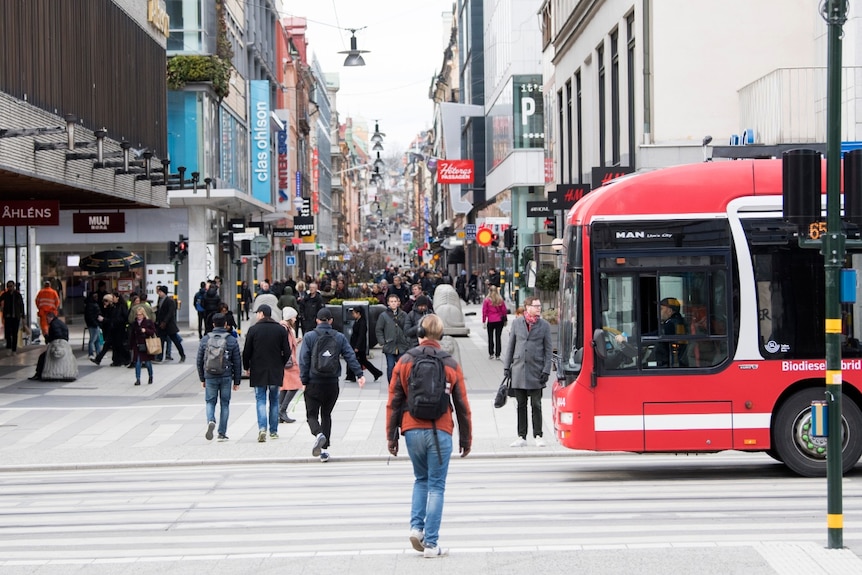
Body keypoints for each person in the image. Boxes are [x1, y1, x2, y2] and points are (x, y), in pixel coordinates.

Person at [385, 314, 472, 558]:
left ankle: (416, 528)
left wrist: (392, 437)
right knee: (437, 486)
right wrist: (466, 440)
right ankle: (431, 544)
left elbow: (394, 401)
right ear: (441, 336)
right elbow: (462, 405)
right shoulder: (450, 363)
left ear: (420, 334)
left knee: (420, 479)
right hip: (440, 431)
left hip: (411, 430)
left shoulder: (405, 361)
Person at [300, 307, 366, 462]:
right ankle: (324, 450)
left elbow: (304, 360)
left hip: (313, 382)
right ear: (331, 321)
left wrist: (304, 380)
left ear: (317, 320)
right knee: (326, 414)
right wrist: (359, 374)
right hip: (331, 383)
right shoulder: (339, 337)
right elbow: (350, 355)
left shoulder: (309, 337)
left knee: (311, 415)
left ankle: (318, 434)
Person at [502, 296, 553, 447]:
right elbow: (510, 346)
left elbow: (549, 350)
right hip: (518, 369)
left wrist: (546, 370)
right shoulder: (517, 323)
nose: (539, 308)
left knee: (536, 404)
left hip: (536, 370)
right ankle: (521, 436)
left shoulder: (544, 325)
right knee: (520, 404)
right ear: (527, 307)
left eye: (539, 306)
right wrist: (506, 367)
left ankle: (538, 435)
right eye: (536, 306)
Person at [242, 304, 290, 443]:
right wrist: (281, 363)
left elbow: (247, 351)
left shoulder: (253, 330)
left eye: (258, 313)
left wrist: (247, 366)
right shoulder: (280, 330)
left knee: (260, 400)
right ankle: (273, 431)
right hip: (275, 369)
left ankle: (262, 428)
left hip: (258, 370)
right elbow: (287, 351)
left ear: (262, 314)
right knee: (274, 400)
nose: (257, 315)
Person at [198, 313, 242, 441]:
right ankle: (222, 433)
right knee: (225, 404)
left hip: (210, 375)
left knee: (210, 402)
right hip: (226, 375)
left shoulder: (205, 339)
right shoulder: (231, 340)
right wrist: (237, 380)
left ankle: (211, 420)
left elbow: (199, 360)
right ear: (226, 324)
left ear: (213, 324)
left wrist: (202, 378)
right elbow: (237, 361)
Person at [375, 293, 411, 383]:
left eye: (395, 301)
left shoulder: (404, 315)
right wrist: (382, 342)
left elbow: (408, 329)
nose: (394, 303)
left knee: (402, 367)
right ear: (388, 303)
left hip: (402, 346)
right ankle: (391, 384)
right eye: (391, 301)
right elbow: (379, 329)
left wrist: (407, 341)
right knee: (390, 367)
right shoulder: (383, 316)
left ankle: (402, 384)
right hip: (389, 345)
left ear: (398, 302)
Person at [278, 307, 303, 423]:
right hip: (289, 362)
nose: (295, 319)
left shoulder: (283, 327)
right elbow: (286, 346)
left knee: (284, 387)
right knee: (295, 385)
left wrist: (295, 341)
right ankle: (282, 410)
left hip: (284, 362)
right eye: (294, 317)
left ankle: (279, 412)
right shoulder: (286, 329)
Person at [346, 306, 384, 382]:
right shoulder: (358, 321)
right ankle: (376, 373)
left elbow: (361, 336)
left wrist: (357, 347)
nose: (353, 315)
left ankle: (351, 376)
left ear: (358, 313)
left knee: (352, 360)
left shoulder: (362, 323)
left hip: (359, 346)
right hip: (356, 345)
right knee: (363, 361)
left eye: (354, 313)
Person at [30, 311, 70, 381]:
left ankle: (38, 374)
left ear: (51, 317)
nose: (47, 321)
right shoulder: (60, 322)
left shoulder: (53, 324)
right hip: (64, 345)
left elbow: (56, 336)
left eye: (47, 319)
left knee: (42, 357)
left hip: (58, 345)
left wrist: (47, 337)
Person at [91, 294, 127, 366]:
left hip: (118, 329)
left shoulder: (121, 307)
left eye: (113, 297)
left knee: (118, 345)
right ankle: (101, 359)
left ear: (117, 298)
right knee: (110, 345)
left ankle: (123, 359)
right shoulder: (114, 307)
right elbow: (110, 316)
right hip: (113, 329)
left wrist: (105, 320)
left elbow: (120, 318)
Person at [155, 285, 186, 362]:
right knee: (161, 341)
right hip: (161, 325)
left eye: (160, 292)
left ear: (164, 292)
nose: (159, 293)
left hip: (169, 325)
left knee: (175, 340)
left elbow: (170, 313)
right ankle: (159, 357)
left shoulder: (170, 301)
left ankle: (182, 355)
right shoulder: (160, 300)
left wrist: (165, 322)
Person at [127, 307, 156, 385]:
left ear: (143, 315)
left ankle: (150, 376)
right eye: (137, 315)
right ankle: (138, 379)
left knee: (147, 363)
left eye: (140, 315)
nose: (138, 316)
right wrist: (130, 346)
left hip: (146, 344)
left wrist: (145, 330)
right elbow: (132, 335)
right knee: (138, 362)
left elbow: (153, 331)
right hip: (137, 345)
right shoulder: (134, 323)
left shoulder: (148, 322)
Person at [655, 297, 687, 367]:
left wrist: (632, 338)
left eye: (661, 309)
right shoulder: (679, 321)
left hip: (671, 364)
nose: (658, 312)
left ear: (669, 311)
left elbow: (656, 335)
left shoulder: (671, 324)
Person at [482, 285, 508, 360]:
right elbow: (504, 311)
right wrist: (505, 319)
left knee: (490, 337)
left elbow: (484, 311)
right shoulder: (500, 299)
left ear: (489, 291)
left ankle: (491, 353)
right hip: (499, 320)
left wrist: (484, 321)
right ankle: (498, 354)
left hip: (490, 321)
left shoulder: (487, 300)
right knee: (498, 337)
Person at [1, 280, 25, 356]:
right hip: (8, 316)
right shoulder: (5, 294)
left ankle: (14, 349)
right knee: (8, 333)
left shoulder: (17, 295)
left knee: (15, 333)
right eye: (8, 286)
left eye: (11, 286)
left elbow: (21, 305)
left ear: (14, 286)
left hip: (16, 317)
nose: (10, 288)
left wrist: (23, 316)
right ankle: (9, 348)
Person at [83, 291, 103, 359]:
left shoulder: (92, 304)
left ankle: (98, 353)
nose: (97, 298)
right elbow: (90, 316)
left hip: (95, 324)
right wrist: (95, 323)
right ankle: (91, 353)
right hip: (93, 324)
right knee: (93, 339)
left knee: (97, 339)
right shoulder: (91, 305)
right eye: (95, 296)